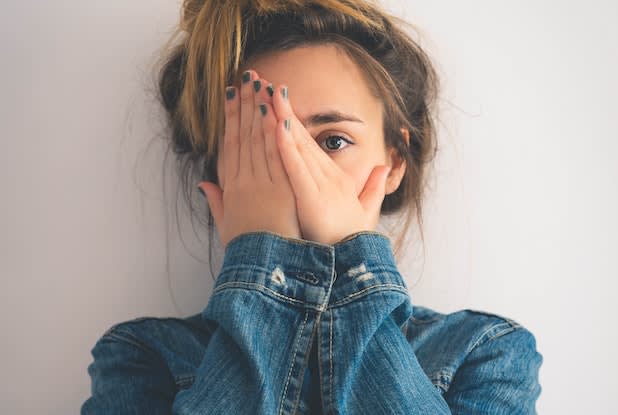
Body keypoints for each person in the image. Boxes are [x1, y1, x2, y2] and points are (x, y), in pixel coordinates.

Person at [81, 0, 543, 413]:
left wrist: (349, 255)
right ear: (219, 171)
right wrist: (264, 265)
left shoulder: (485, 353)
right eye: (262, 146)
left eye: (333, 140)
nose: (297, 172)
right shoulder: (141, 358)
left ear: (395, 160)